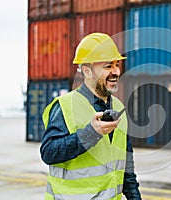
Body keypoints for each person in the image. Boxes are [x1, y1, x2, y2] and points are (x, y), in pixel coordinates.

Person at [40, 33, 142, 200]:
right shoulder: (65, 106)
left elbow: (126, 165)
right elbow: (48, 153)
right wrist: (90, 134)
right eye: (108, 66)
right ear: (87, 71)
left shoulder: (118, 107)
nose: (116, 71)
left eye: (117, 65)